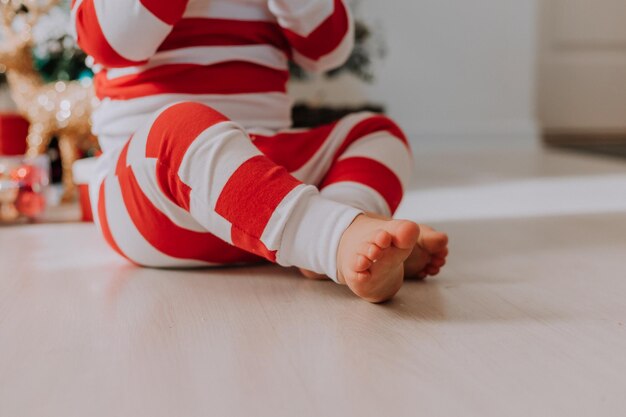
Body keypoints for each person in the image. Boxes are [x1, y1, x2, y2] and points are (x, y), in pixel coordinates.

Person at [71, 0, 448, 303]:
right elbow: (112, 39)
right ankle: (332, 235)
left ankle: (340, 231)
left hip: (265, 179)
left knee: (375, 133)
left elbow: (328, 51)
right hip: (157, 192)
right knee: (181, 124)